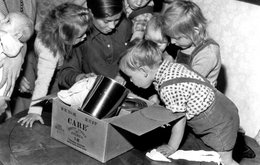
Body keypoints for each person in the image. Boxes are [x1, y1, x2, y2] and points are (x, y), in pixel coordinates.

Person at [119, 39, 240, 165]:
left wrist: (172, 146)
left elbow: (179, 119)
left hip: (217, 120)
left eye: (130, 77)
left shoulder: (168, 87)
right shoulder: (171, 67)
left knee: (224, 160)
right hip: (223, 106)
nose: (131, 81)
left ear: (144, 71)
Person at [17, 3, 92, 128]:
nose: (84, 37)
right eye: (80, 36)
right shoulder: (50, 54)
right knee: (53, 99)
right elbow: (42, 83)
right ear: (65, 37)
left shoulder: (53, 22)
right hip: (42, 67)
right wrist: (34, 112)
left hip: (42, 57)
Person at [58, 0, 132, 89]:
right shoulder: (80, 34)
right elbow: (65, 73)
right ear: (91, 13)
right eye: (106, 21)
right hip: (95, 91)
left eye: (117, 20)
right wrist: (81, 78)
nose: (112, 26)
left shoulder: (125, 25)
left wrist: (123, 74)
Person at [162, 0, 221, 87]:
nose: (172, 42)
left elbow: (187, 82)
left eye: (177, 38)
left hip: (197, 94)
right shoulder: (185, 43)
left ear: (195, 31)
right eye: (170, 37)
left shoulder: (208, 54)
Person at [0, 12, 34, 121]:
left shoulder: (14, 43)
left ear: (17, 35)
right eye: (5, 19)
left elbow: (12, 50)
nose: (2, 21)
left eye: (8, 21)